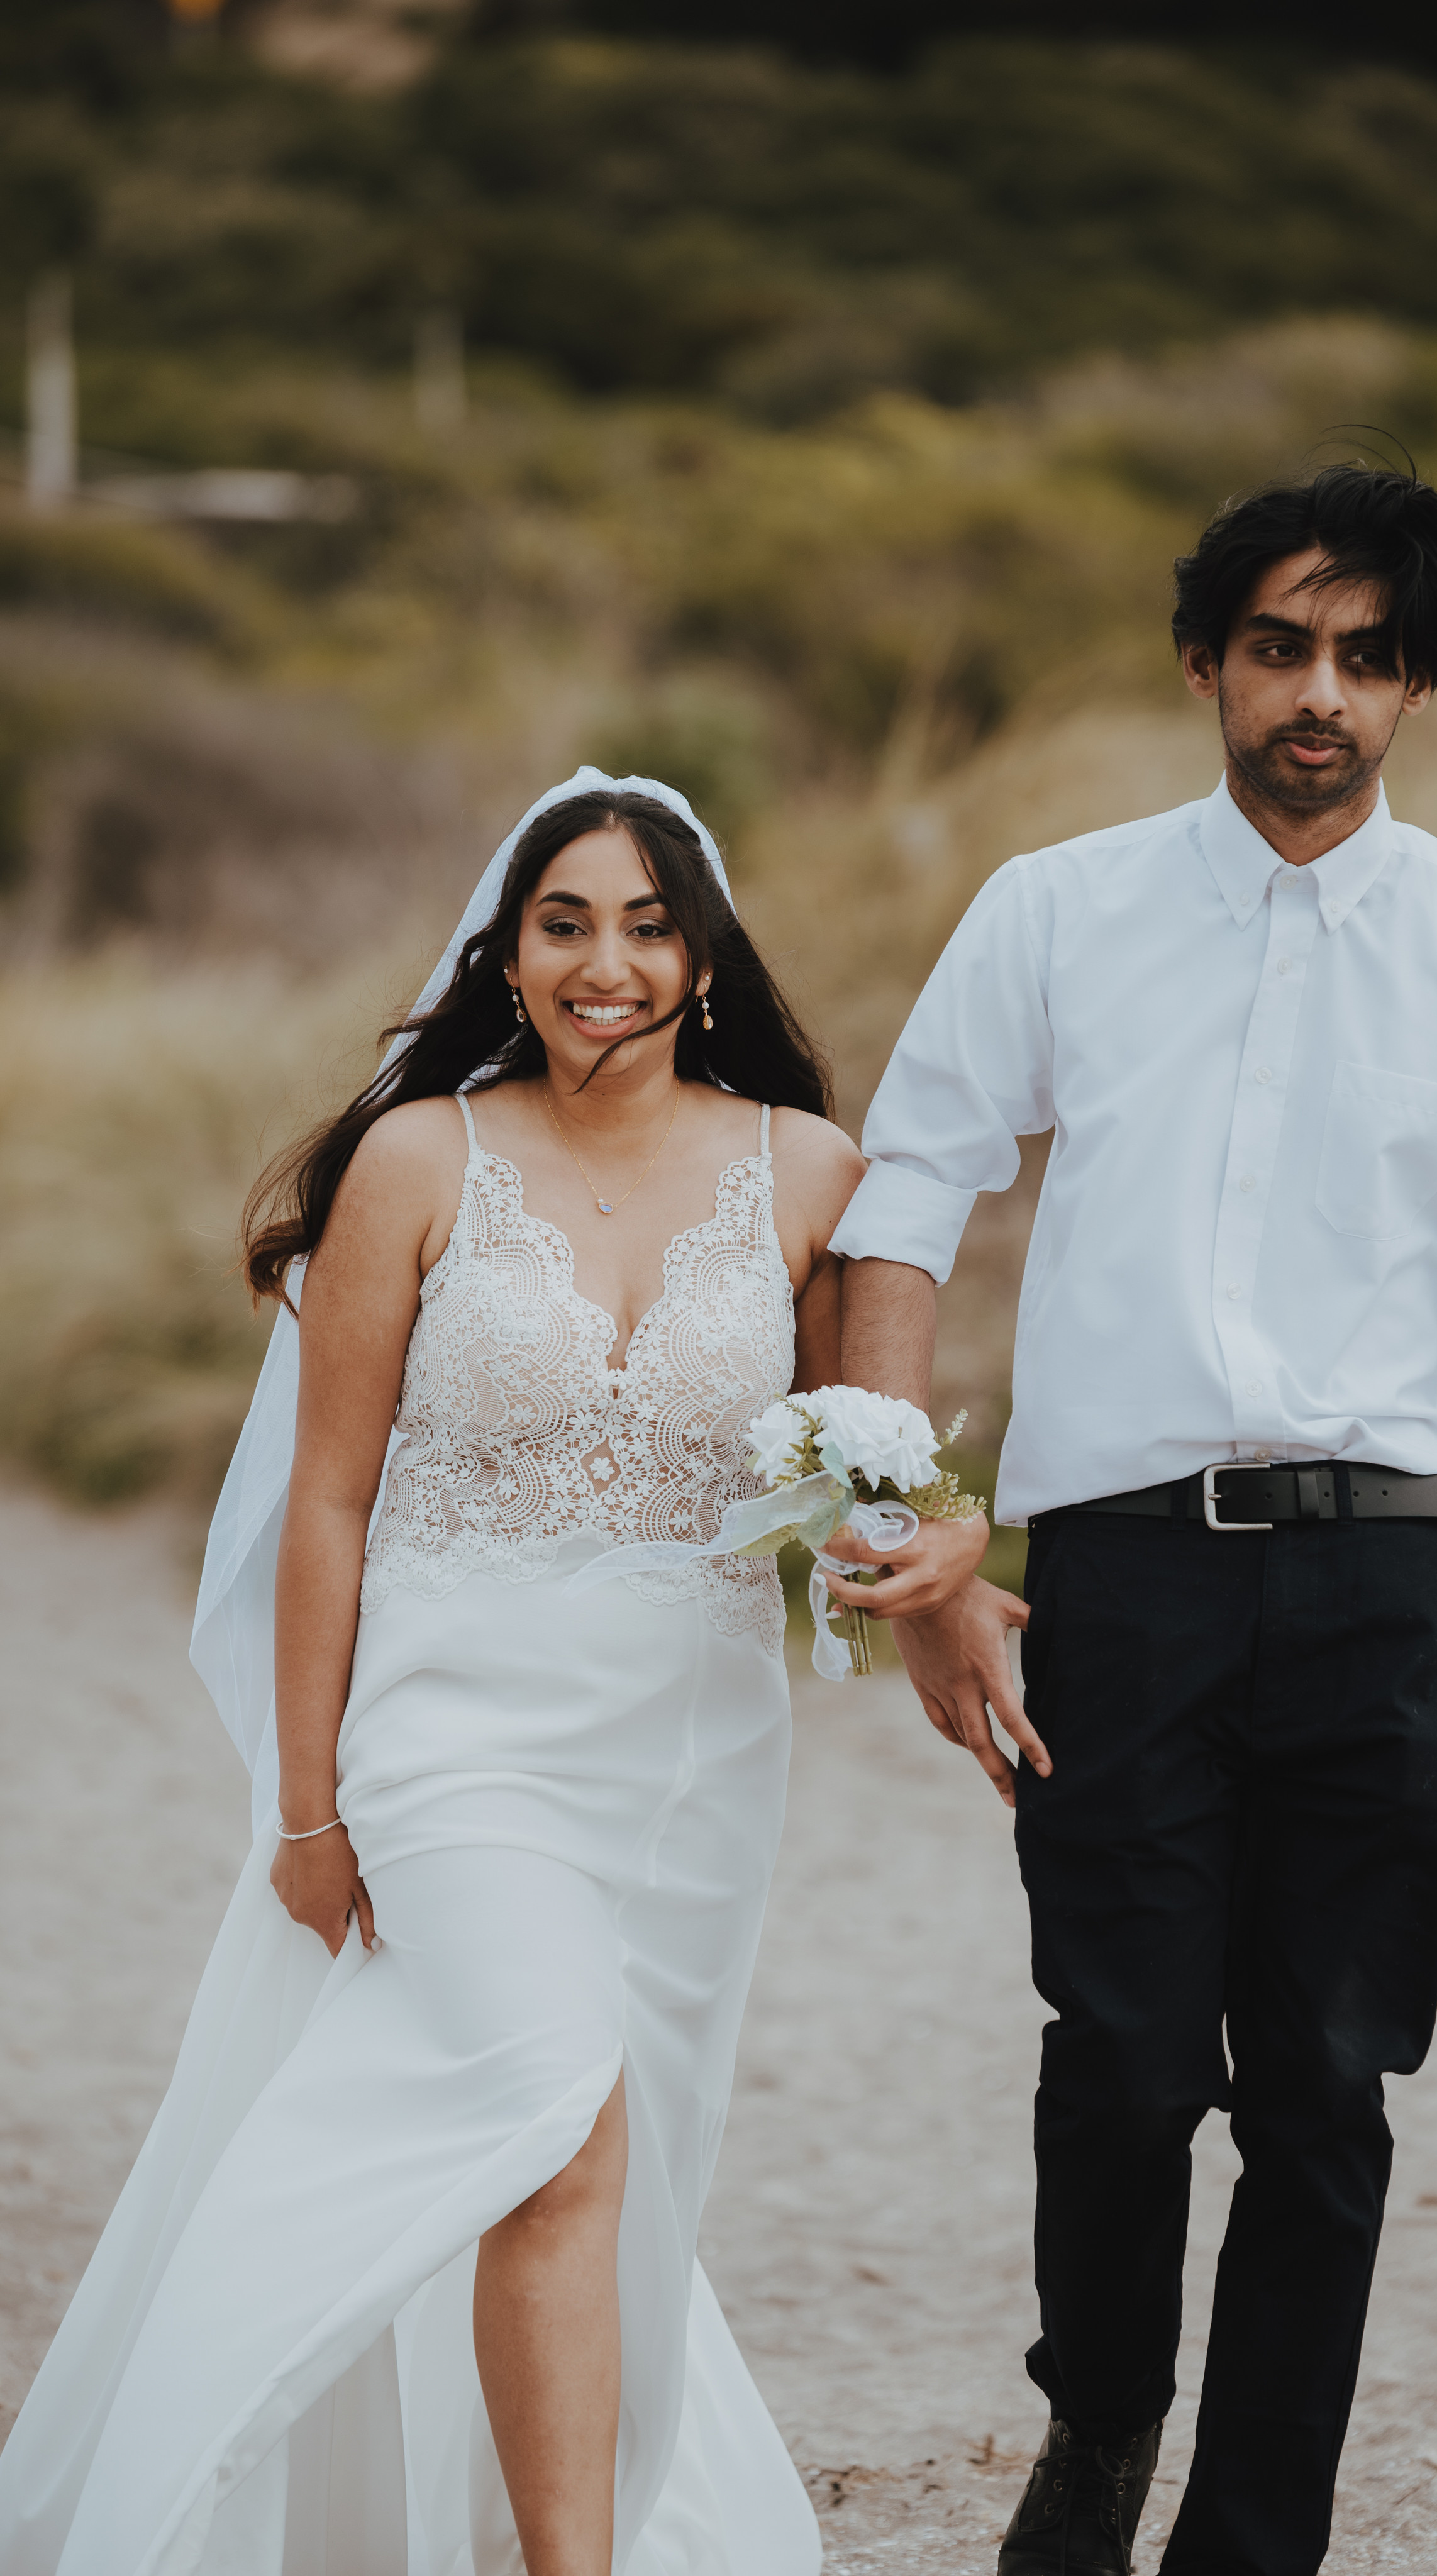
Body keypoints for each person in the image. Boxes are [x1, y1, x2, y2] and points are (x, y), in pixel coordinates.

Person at [822, 465, 1437, 2576]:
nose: (1322, 694)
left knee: (1325, 2087)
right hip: (1116, 1569)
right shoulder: (1054, 909)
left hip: (1386, 1578)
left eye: (1368, 659)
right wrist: (917, 1535)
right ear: (1205, 659)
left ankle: (1252, 2536)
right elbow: (906, 1202)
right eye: (1283, 646)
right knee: (1117, 2062)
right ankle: (1103, 2418)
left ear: (1414, 690)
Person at [0, 770, 860, 2576]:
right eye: (565, 923)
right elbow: (327, 1504)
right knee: (556, 2121)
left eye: (645, 923)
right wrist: (307, 1804)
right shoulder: (419, 1162)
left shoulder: (812, 1173)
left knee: (629, 2171)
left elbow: (868, 1467)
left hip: (695, 1760)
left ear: (703, 955)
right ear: (512, 949)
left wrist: (943, 1583)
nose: (604, 962)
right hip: (452, 1727)